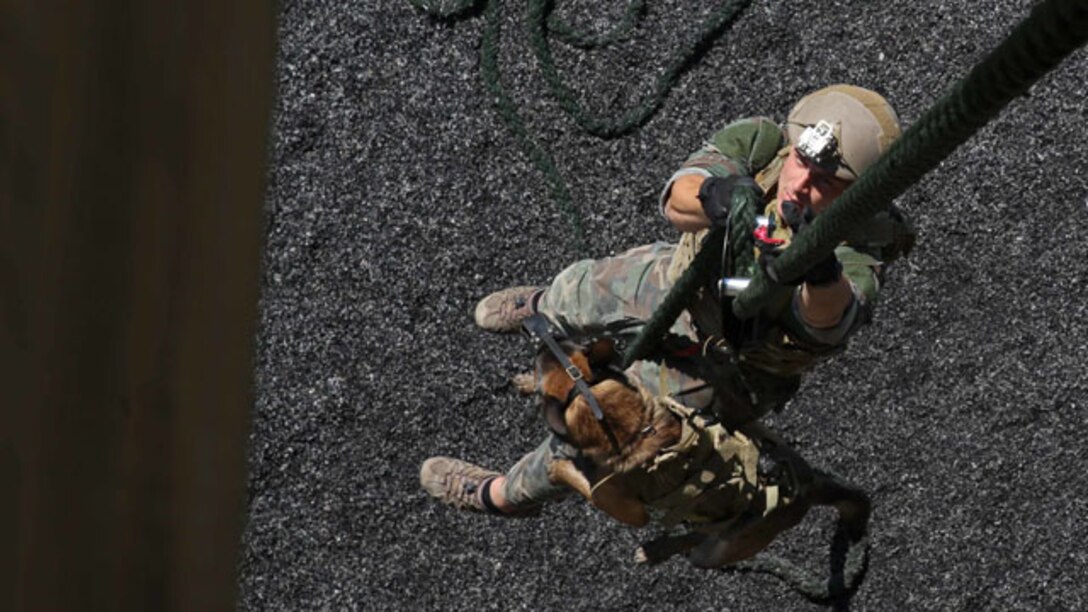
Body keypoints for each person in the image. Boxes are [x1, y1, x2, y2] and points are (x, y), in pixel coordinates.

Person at [421, 84, 912, 518]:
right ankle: (541, 307)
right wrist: (715, 196)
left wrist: (818, 269)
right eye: (802, 162)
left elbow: (826, 322)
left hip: (726, 364)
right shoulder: (764, 144)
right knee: (578, 288)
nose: (800, 184)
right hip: (675, 284)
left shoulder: (861, 244)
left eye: (826, 182)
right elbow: (677, 197)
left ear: (859, 192)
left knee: (601, 434)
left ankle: (501, 494)